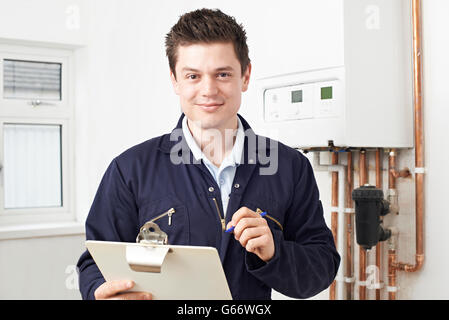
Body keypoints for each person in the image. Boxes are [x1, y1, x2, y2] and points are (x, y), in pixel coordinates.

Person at [76, 8, 340, 300]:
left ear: (246, 76)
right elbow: (95, 262)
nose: (209, 90)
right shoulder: (130, 170)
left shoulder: (289, 167)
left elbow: (321, 268)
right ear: (175, 80)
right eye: (193, 76)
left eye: (223, 74)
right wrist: (100, 291)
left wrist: (275, 251)